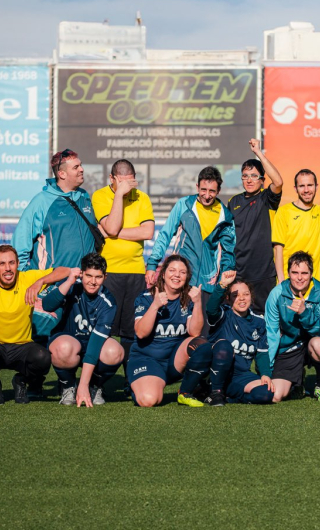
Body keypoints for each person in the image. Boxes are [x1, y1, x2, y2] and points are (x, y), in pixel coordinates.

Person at [0, 245, 67, 404]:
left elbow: (64, 271)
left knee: (43, 357)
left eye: (11, 263)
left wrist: (40, 282)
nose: (7, 268)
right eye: (2, 264)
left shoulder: (26, 278)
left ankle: (20, 381)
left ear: (18, 263)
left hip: (21, 346)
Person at [91, 159, 155, 364]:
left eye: (131, 183)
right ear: (112, 179)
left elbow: (148, 231)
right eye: (122, 183)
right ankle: (99, 381)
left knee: (131, 331)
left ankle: (130, 378)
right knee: (105, 328)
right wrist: (118, 195)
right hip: (108, 271)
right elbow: (109, 227)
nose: (128, 188)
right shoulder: (100, 195)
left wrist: (113, 232)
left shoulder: (142, 197)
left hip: (136, 271)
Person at [42, 253, 125, 406]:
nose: (93, 282)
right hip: (68, 341)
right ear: (81, 273)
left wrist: (84, 385)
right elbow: (47, 305)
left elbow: (95, 345)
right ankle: (68, 386)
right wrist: (69, 282)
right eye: (89, 275)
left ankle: (94, 385)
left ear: (105, 277)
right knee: (62, 348)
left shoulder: (108, 301)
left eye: (98, 277)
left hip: (92, 345)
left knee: (116, 352)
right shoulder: (71, 286)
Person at [185, 271, 275, 406]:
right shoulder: (223, 314)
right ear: (228, 298)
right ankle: (213, 389)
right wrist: (221, 285)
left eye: (246, 294)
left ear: (251, 296)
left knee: (265, 394)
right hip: (218, 372)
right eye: (236, 295)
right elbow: (211, 309)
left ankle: (225, 396)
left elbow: (261, 353)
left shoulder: (259, 322)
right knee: (224, 347)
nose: (242, 298)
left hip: (241, 375)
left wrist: (265, 374)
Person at [128, 255, 206, 408]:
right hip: (146, 359)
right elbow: (141, 333)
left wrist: (197, 303)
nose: (177, 275)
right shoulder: (146, 297)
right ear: (163, 274)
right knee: (150, 400)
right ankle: (135, 385)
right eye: (172, 270)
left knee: (201, 344)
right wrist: (155, 305)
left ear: (187, 277)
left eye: (182, 272)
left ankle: (185, 391)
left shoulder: (189, 298)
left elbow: (195, 333)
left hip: (173, 363)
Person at [145, 166, 236, 298]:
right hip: (180, 280)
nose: (206, 195)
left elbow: (228, 252)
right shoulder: (184, 204)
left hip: (207, 283)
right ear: (197, 186)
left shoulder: (225, 216)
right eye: (203, 190)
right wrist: (152, 264)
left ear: (219, 191)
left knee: (202, 319)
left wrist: (225, 278)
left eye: (212, 191)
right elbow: (165, 235)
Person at [264, 251, 320, 403]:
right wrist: (266, 371)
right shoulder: (277, 294)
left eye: (304, 273)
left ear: (311, 273)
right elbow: (271, 333)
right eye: (295, 273)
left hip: (312, 344)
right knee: (274, 396)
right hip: (289, 348)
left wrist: (304, 313)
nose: (300, 277)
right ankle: (297, 383)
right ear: (288, 273)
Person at [15, 148, 100, 271]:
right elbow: (20, 245)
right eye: (76, 167)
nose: (82, 169)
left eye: (81, 165)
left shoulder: (84, 196)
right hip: (52, 284)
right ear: (62, 174)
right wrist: (25, 278)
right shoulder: (41, 202)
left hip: (84, 283)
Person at [227, 139, 285, 313]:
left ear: (262, 180)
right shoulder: (233, 201)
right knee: (237, 317)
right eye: (245, 176)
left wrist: (258, 153)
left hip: (263, 273)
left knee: (264, 319)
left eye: (254, 176)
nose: (249, 180)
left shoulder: (266, 198)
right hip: (238, 273)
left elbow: (278, 182)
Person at [272, 169, 320, 283]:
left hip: (313, 284)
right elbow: (277, 250)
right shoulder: (283, 212)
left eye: (310, 185)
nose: (306, 190)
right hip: (288, 282)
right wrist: (282, 281)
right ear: (295, 188)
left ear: (316, 186)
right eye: (302, 186)